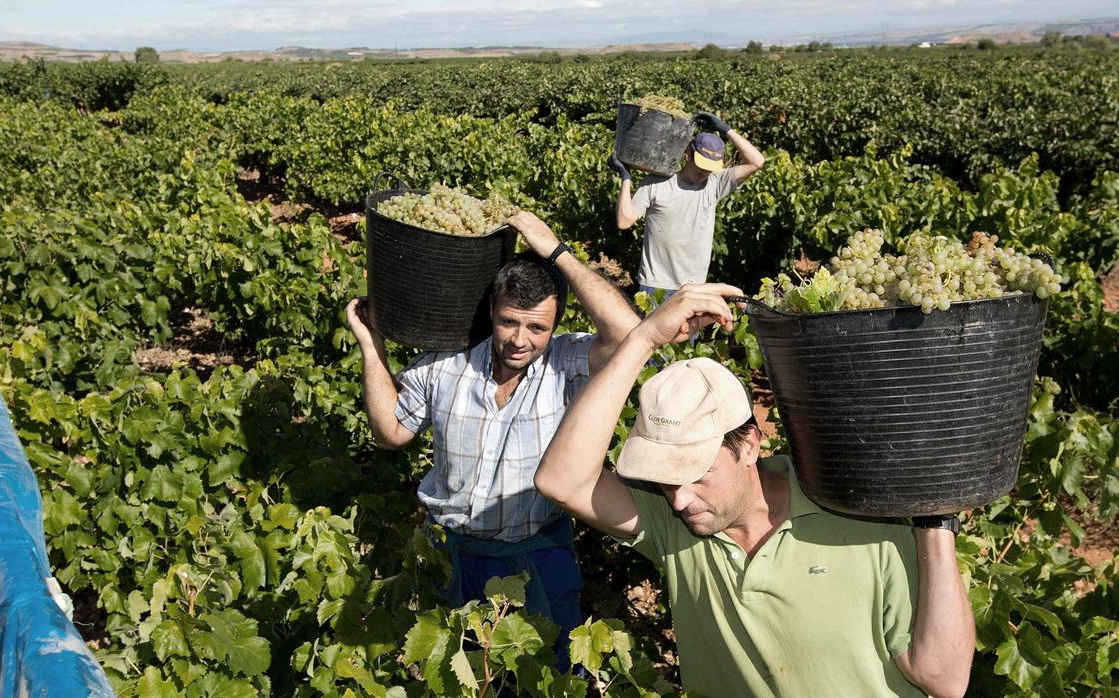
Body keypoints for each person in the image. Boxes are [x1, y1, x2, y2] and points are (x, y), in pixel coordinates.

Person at [533, 284, 976, 697]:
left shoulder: (862, 520)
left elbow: (944, 678)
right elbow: (560, 481)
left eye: (695, 475)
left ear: (748, 444)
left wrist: (934, 518)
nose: (680, 499)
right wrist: (642, 339)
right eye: (665, 482)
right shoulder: (674, 527)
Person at [344, 211, 641, 668]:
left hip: (536, 555)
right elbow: (390, 433)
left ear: (557, 323)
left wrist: (555, 250)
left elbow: (629, 336)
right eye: (509, 322)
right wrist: (371, 347)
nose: (520, 340)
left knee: (545, 674)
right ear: (491, 312)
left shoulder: (567, 365)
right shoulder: (444, 364)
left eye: (537, 328)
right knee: (451, 674)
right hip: (450, 554)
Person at [608, 112, 766, 300]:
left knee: (689, 331)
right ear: (688, 155)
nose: (704, 171)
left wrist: (725, 129)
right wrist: (626, 178)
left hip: (695, 288)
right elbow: (624, 221)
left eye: (710, 167)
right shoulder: (655, 183)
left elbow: (757, 161)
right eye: (701, 164)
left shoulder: (715, 184)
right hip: (656, 285)